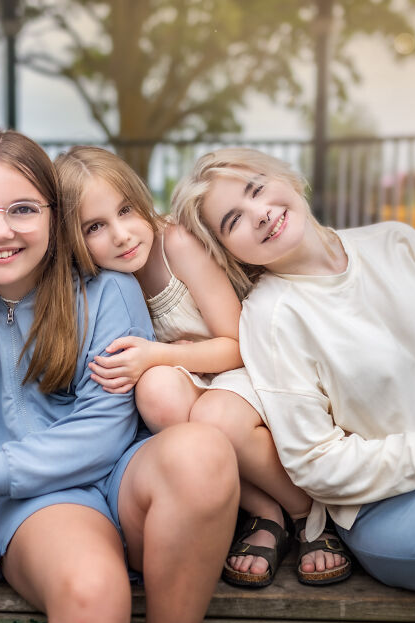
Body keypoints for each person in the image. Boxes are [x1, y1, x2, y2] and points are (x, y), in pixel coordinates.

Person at [0, 129, 239, 623]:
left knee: (203, 450)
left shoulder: (108, 289)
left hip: (125, 478)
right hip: (39, 500)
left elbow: (106, 429)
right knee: (92, 590)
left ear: (56, 214)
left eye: (24, 209)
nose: (0, 231)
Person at [171, 146, 415, 623]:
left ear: (289, 180)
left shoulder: (394, 241)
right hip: (398, 514)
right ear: (227, 251)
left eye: (257, 189)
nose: (259, 214)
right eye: (233, 219)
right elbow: (316, 463)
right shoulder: (273, 316)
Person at [53, 145, 349, 587]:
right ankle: (264, 512)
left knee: (215, 414)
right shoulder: (96, 282)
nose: (121, 234)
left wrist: (159, 355)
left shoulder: (175, 243)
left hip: (240, 367)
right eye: (95, 226)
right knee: (155, 392)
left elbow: (236, 344)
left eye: (126, 210)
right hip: (191, 376)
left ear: (141, 198)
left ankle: (309, 515)